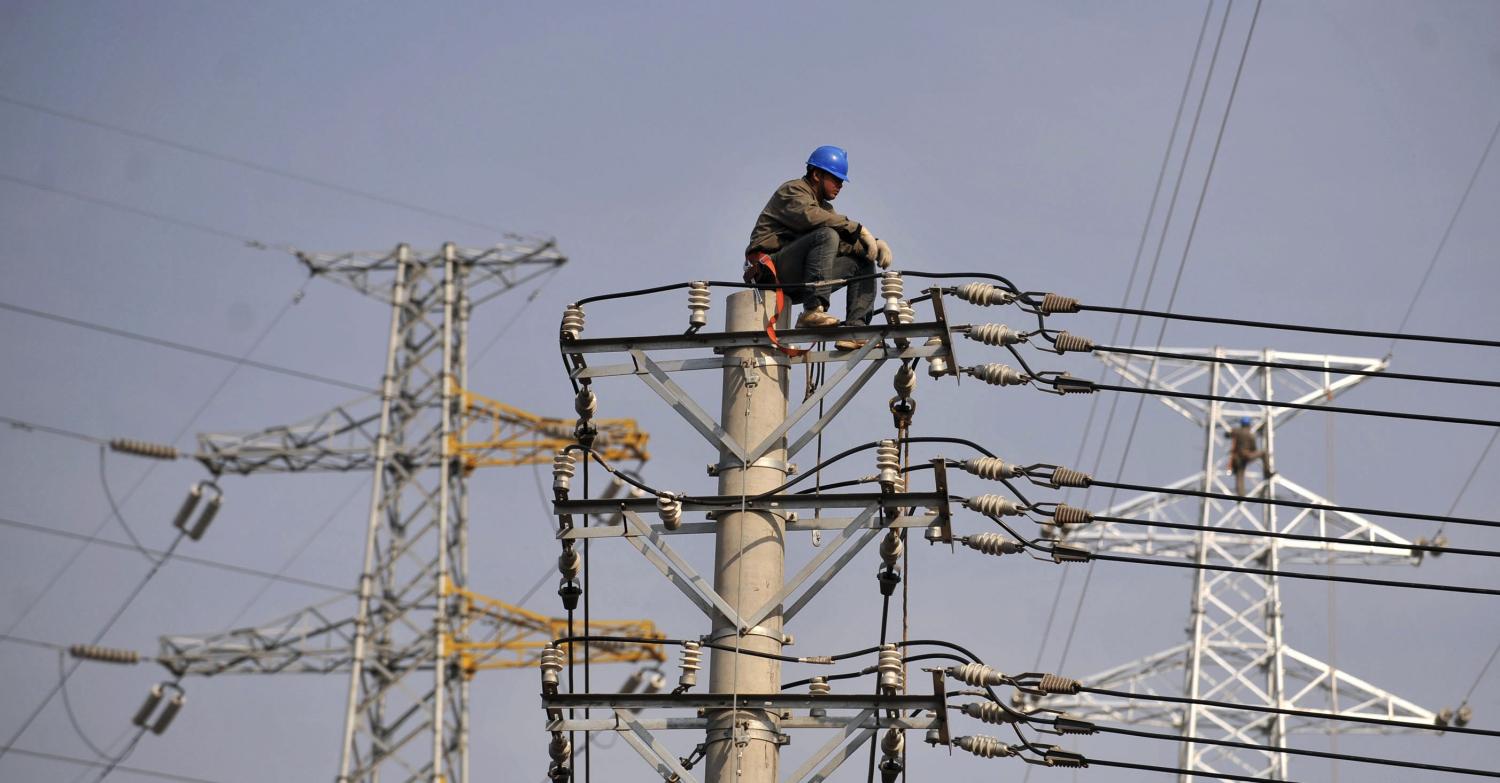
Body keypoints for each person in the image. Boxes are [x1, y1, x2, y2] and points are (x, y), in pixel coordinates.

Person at [744, 145, 893, 350]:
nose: (840, 185)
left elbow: (841, 243)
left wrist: (872, 244)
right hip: (771, 272)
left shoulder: (825, 208)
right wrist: (859, 229)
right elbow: (812, 218)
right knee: (827, 233)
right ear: (816, 174)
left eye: (841, 181)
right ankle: (812, 310)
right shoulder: (793, 191)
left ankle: (855, 331)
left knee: (862, 261)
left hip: (798, 278)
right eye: (836, 179)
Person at [1226, 415, 1271, 497]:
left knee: (1239, 476)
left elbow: (1227, 434)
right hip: (1247, 456)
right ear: (1249, 425)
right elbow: (1253, 449)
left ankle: (1240, 495)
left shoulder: (1236, 431)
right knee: (1264, 453)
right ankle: (1267, 472)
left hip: (1237, 459)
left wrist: (1229, 434)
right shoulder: (1250, 435)